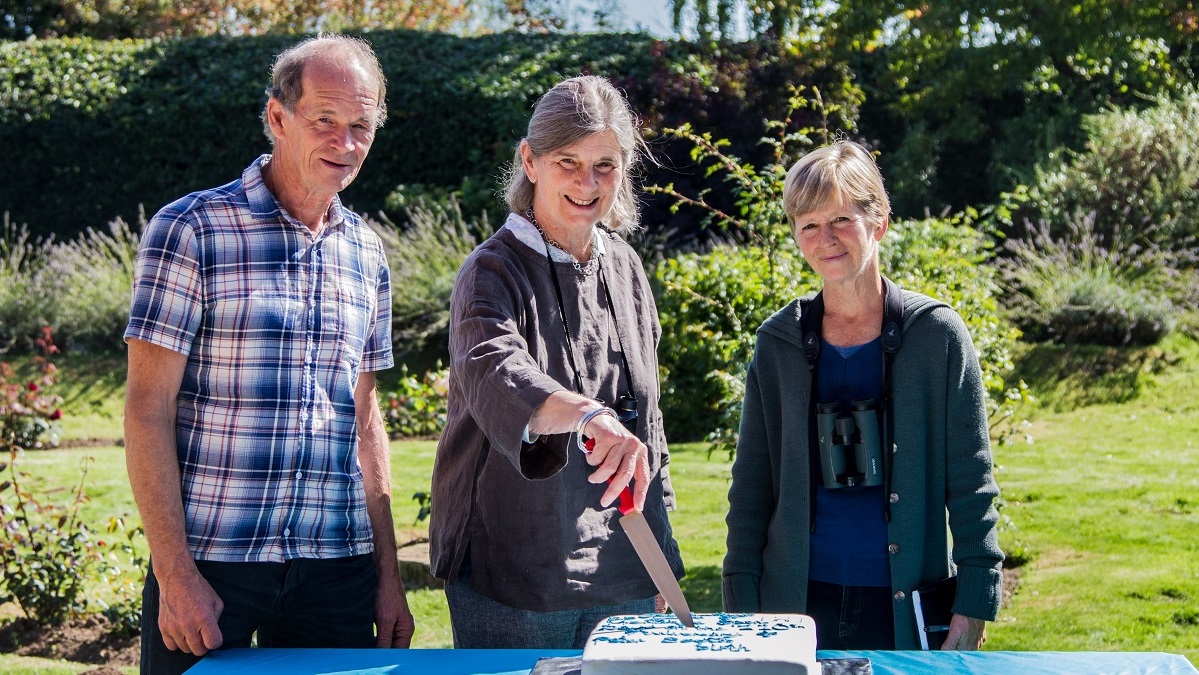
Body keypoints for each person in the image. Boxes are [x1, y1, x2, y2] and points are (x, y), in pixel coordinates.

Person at [123, 34, 414, 675]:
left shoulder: (366, 253)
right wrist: (173, 574)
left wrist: (388, 575)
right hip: (212, 565)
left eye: (361, 126)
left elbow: (366, 420)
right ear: (278, 118)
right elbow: (147, 408)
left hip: (336, 566)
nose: (345, 143)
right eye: (326, 121)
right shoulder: (191, 229)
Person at [429, 75, 684, 649]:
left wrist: (662, 555)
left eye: (606, 164)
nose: (588, 182)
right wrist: (589, 415)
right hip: (516, 567)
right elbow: (498, 369)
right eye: (568, 160)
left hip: (626, 564)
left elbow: (649, 421)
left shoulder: (625, 267)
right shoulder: (492, 271)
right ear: (531, 161)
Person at [722, 140, 1004, 650]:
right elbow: (750, 490)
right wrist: (739, 603)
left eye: (841, 220)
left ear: (879, 222)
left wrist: (974, 602)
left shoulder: (935, 335)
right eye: (808, 225)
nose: (824, 239)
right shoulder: (778, 342)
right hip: (793, 606)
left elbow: (972, 483)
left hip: (905, 605)